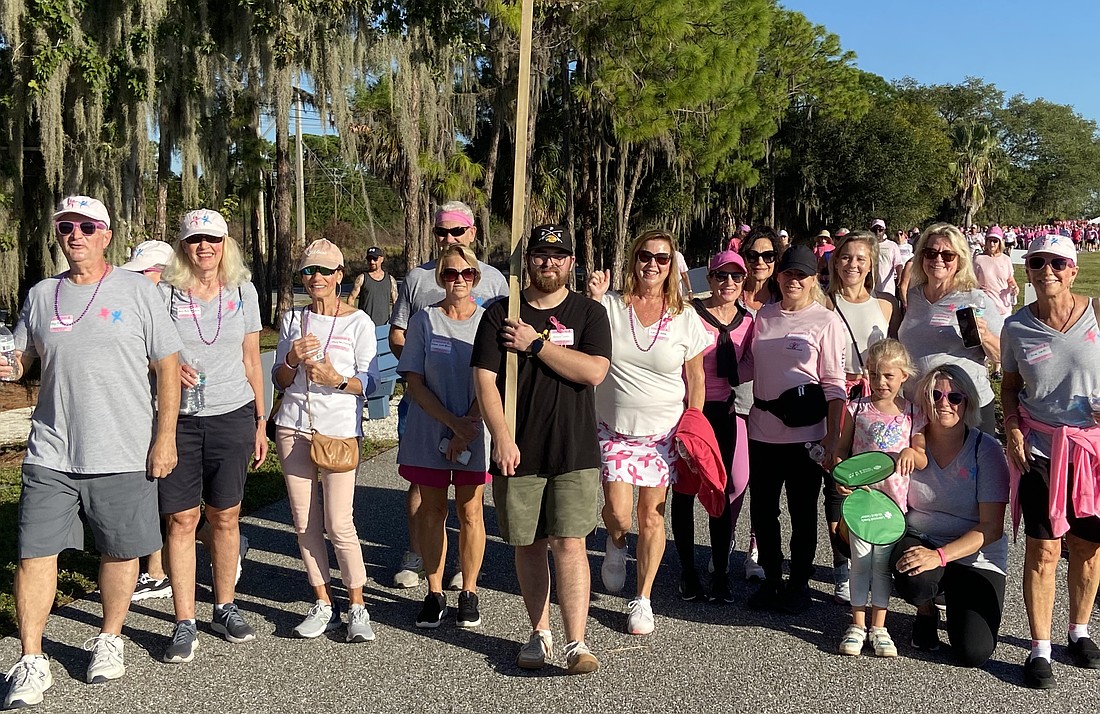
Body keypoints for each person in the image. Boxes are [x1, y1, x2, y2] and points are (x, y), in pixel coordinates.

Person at [1, 196, 181, 709]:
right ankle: (31, 659)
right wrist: (8, 366)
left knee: (121, 551)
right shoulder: (41, 295)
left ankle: (109, 637)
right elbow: (22, 360)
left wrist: (164, 437)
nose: (72, 234)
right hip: (51, 451)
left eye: (84, 226)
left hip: (123, 449)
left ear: (105, 234)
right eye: (64, 226)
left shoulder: (138, 291)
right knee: (34, 552)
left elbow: (167, 366)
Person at [472, 223, 611, 675]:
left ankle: (576, 642)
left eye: (557, 256)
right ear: (526, 260)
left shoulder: (588, 313)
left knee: (570, 542)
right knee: (528, 543)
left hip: (574, 448)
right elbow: (484, 381)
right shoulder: (500, 314)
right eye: (539, 255)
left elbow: (592, 372)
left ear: (571, 263)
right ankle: (539, 633)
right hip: (519, 449)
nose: (548, 263)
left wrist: (536, 344)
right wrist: (502, 437)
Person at [154, 209, 267, 662]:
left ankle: (224, 605)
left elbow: (253, 360)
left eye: (213, 239)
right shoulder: (164, 292)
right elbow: (144, 350)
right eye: (196, 239)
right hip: (177, 420)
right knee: (181, 520)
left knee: (225, 516)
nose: (205, 247)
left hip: (232, 415)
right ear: (183, 245)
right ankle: (185, 620)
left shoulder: (243, 289)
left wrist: (261, 421)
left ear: (226, 244)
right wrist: (165, 366)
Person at [587, 230, 708, 635]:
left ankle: (643, 599)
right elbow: (582, 344)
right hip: (615, 430)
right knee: (620, 515)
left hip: (662, 435)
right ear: (633, 259)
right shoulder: (610, 306)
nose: (652, 264)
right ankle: (617, 543)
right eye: (644, 256)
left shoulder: (685, 315)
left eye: (661, 258)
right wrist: (591, 298)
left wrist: (694, 423)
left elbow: (695, 375)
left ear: (671, 265)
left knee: (652, 519)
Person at [389, 201, 508, 590]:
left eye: (457, 232)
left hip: (477, 414)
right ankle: (419, 559)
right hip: (428, 406)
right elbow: (400, 335)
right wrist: (422, 363)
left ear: (472, 232)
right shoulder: (417, 281)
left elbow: (501, 360)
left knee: (471, 508)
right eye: (442, 232)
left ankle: (467, 576)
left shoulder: (496, 282)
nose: (449, 240)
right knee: (426, 499)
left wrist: (468, 422)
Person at [1001, 233, 1100, 689]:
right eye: (1037, 263)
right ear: (1027, 270)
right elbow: (1009, 386)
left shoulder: (1097, 313)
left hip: (1093, 452)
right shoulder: (1016, 327)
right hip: (1041, 449)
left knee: (1087, 546)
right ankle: (1040, 647)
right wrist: (1014, 429)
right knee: (1044, 550)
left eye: (1057, 264)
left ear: (1073, 270)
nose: (1047, 272)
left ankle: (1079, 631)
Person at [272, 239, 380, 643]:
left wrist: (336, 379)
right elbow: (280, 382)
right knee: (304, 522)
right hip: (293, 426)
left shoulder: (359, 323)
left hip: (338, 431)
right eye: (307, 272)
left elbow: (371, 382)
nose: (315, 278)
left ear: (339, 276)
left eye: (324, 271)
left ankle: (357, 605)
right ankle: (322, 602)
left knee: (339, 522)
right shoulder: (292, 319)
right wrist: (292, 360)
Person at [745, 244, 847, 614]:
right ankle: (772, 579)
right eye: (788, 273)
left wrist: (833, 439)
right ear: (778, 275)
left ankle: (799, 583)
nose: (794, 280)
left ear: (813, 279)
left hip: (806, 434)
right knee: (763, 510)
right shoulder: (763, 316)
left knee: (803, 512)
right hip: (762, 430)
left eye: (801, 275)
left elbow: (835, 387)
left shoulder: (825, 320)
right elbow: (747, 367)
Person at [396, 245, 490, 630]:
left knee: (471, 512)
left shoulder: (489, 321)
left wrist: (466, 426)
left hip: (475, 427)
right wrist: (452, 424)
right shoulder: (423, 321)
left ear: (476, 278)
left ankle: (468, 591)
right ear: (440, 278)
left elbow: (493, 381)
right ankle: (434, 592)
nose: (458, 281)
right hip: (430, 429)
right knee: (432, 512)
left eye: (466, 274)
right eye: (450, 274)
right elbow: (414, 381)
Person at [891, 364, 1009, 667]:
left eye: (955, 397)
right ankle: (926, 608)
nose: (945, 403)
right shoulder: (909, 440)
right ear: (925, 399)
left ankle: (955, 597)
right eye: (936, 394)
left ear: (967, 401)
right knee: (915, 577)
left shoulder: (987, 449)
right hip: (922, 537)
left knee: (973, 652)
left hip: (975, 553)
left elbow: (992, 528)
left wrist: (940, 556)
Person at [834, 339, 927, 658]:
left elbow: (923, 457)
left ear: (904, 376)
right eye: (874, 375)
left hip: (894, 508)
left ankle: (880, 627)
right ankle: (857, 625)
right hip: (862, 504)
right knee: (859, 564)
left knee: (881, 567)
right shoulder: (856, 408)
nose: (880, 382)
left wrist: (911, 452)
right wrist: (842, 480)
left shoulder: (913, 412)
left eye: (888, 375)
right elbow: (840, 452)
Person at [671, 250, 754, 604]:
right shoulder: (689, 313)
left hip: (724, 412)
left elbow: (751, 361)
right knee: (685, 492)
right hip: (689, 411)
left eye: (736, 277)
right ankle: (688, 573)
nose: (728, 284)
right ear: (711, 278)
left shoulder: (748, 321)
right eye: (721, 276)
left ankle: (720, 573)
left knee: (720, 491)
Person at [824, 230, 898, 604]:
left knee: (870, 475)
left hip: (874, 398)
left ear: (872, 265)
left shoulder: (886, 306)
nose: (852, 265)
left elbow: (894, 353)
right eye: (846, 257)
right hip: (838, 394)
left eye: (860, 259)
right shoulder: (823, 301)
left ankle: (872, 558)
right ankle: (842, 563)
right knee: (837, 473)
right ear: (835, 261)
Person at [898, 223, 1003, 434]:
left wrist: (985, 336)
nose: (938, 260)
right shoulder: (913, 296)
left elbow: (1004, 355)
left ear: (960, 260)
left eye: (947, 255)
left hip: (965, 406)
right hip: (919, 408)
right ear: (921, 257)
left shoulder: (975, 299)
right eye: (931, 253)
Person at [119, 239, 176, 603]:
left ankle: (156, 571)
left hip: (172, 412)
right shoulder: (134, 305)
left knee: (168, 496)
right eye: (136, 273)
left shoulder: (172, 306)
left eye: (146, 274)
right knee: (153, 492)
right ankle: (154, 568)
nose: (139, 281)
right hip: (138, 409)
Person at [732, 229, 783, 581]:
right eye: (753, 256)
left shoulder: (784, 300)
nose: (760, 263)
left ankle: (756, 549)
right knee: (736, 482)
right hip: (734, 401)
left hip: (772, 405)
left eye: (768, 256)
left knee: (765, 487)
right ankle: (724, 542)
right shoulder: (728, 292)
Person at [973, 226, 1018, 379]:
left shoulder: (1006, 259)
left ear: (1000, 243)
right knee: (984, 335)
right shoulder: (978, 259)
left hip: (1003, 305)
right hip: (985, 305)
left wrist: (1014, 286)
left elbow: (1010, 278)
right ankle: (983, 366)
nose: (992, 244)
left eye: (995, 241)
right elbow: (972, 281)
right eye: (989, 240)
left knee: (1002, 338)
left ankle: (997, 368)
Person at [347, 246, 397, 327]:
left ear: (382, 259)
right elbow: (351, 298)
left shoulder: (390, 280)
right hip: (365, 327)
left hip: (384, 326)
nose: (372, 262)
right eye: (369, 259)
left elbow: (396, 302)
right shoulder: (362, 278)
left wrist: (393, 321)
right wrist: (355, 317)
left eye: (375, 259)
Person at [871, 219, 903, 298]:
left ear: (884, 230)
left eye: (880, 229)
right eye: (875, 229)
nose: (878, 232)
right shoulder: (868, 245)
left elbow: (898, 264)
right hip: (871, 287)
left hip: (887, 288)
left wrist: (900, 277)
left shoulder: (892, 245)